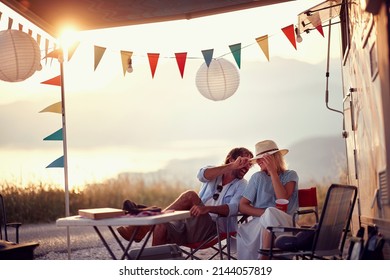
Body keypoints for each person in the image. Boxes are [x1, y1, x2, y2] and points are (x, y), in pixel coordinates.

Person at [116, 147, 253, 246]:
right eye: (243, 161)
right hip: (190, 223)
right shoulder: (214, 172)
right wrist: (229, 167)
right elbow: (201, 175)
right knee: (161, 226)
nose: (247, 166)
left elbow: (234, 208)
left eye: (250, 164)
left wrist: (208, 209)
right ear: (231, 159)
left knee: (190, 196)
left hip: (213, 229)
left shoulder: (242, 184)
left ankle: (144, 225)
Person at [236, 140, 299, 260]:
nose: (258, 161)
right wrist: (265, 214)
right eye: (257, 158)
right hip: (260, 222)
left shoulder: (290, 175)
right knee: (268, 213)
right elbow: (242, 206)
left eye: (262, 158)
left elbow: (283, 199)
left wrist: (273, 173)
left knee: (270, 212)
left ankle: (264, 257)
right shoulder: (257, 178)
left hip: (286, 221)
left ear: (273, 157)